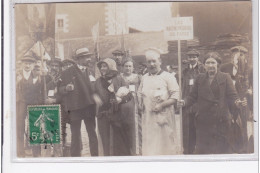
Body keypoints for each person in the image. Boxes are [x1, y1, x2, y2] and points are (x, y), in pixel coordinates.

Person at [178, 52, 247, 154]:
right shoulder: (199, 78)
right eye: (207, 63)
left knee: (221, 151)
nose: (210, 65)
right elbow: (192, 96)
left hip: (221, 121)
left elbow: (233, 96)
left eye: (213, 63)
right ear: (204, 65)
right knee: (205, 151)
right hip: (203, 122)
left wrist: (238, 102)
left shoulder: (225, 77)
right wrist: (184, 102)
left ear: (218, 64)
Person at [138, 48, 180, 155]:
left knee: (165, 144)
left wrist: (162, 105)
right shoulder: (144, 78)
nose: (151, 64)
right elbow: (140, 93)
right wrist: (140, 103)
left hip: (163, 117)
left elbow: (175, 96)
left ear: (160, 61)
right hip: (148, 117)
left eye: (154, 61)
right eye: (149, 62)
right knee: (150, 145)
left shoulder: (168, 77)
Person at [58, 47, 99, 157]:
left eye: (89, 56)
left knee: (92, 134)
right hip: (75, 108)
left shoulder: (90, 71)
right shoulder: (67, 72)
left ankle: (95, 158)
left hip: (89, 107)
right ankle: (75, 159)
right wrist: (66, 88)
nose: (89, 59)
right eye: (86, 57)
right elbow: (59, 89)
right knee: (75, 135)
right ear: (79, 59)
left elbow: (93, 88)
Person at [95, 58, 132, 156]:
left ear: (111, 67)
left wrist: (120, 99)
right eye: (101, 66)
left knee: (118, 140)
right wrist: (95, 98)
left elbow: (129, 95)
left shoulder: (119, 79)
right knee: (105, 140)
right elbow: (93, 93)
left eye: (105, 66)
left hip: (117, 114)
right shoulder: (98, 81)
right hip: (103, 115)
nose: (102, 69)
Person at [220, 46, 251, 153]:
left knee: (242, 125)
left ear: (245, 56)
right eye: (235, 55)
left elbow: (253, 87)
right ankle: (228, 148)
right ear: (231, 56)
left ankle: (242, 150)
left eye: (241, 55)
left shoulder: (249, 69)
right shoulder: (224, 68)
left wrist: (249, 97)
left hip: (242, 102)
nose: (238, 57)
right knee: (228, 124)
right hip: (227, 102)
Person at [16, 52, 43, 157]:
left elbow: (41, 91)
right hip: (20, 105)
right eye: (25, 63)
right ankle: (20, 153)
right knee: (19, 129)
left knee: (35, 128)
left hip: (34, 105)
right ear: (22, 64)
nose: (27, 66)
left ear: (33, 65)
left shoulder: (38, 75)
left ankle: (37, 154)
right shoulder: (16, 74)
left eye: (30, 64)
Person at [181, 49, 205, 154]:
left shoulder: (202, 69)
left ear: (197, 58)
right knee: (188, 128)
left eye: (194, 57)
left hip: (198, 102)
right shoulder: (185, 71)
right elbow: (182, 86)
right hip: (187, 102)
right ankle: (188, 150)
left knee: (199, 127)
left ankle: (199, 149)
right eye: (190, 57)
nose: (192, 59)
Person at [120, 58, 142, 155]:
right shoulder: (119, 77)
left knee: (136, 129)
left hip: (135, 107)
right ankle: (125, 151)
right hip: (123, 107)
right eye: (126, 66)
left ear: (133, 67)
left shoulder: (138, 77)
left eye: (130, 66)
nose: (128, 68)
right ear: (122, 67)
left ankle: (137, 151)